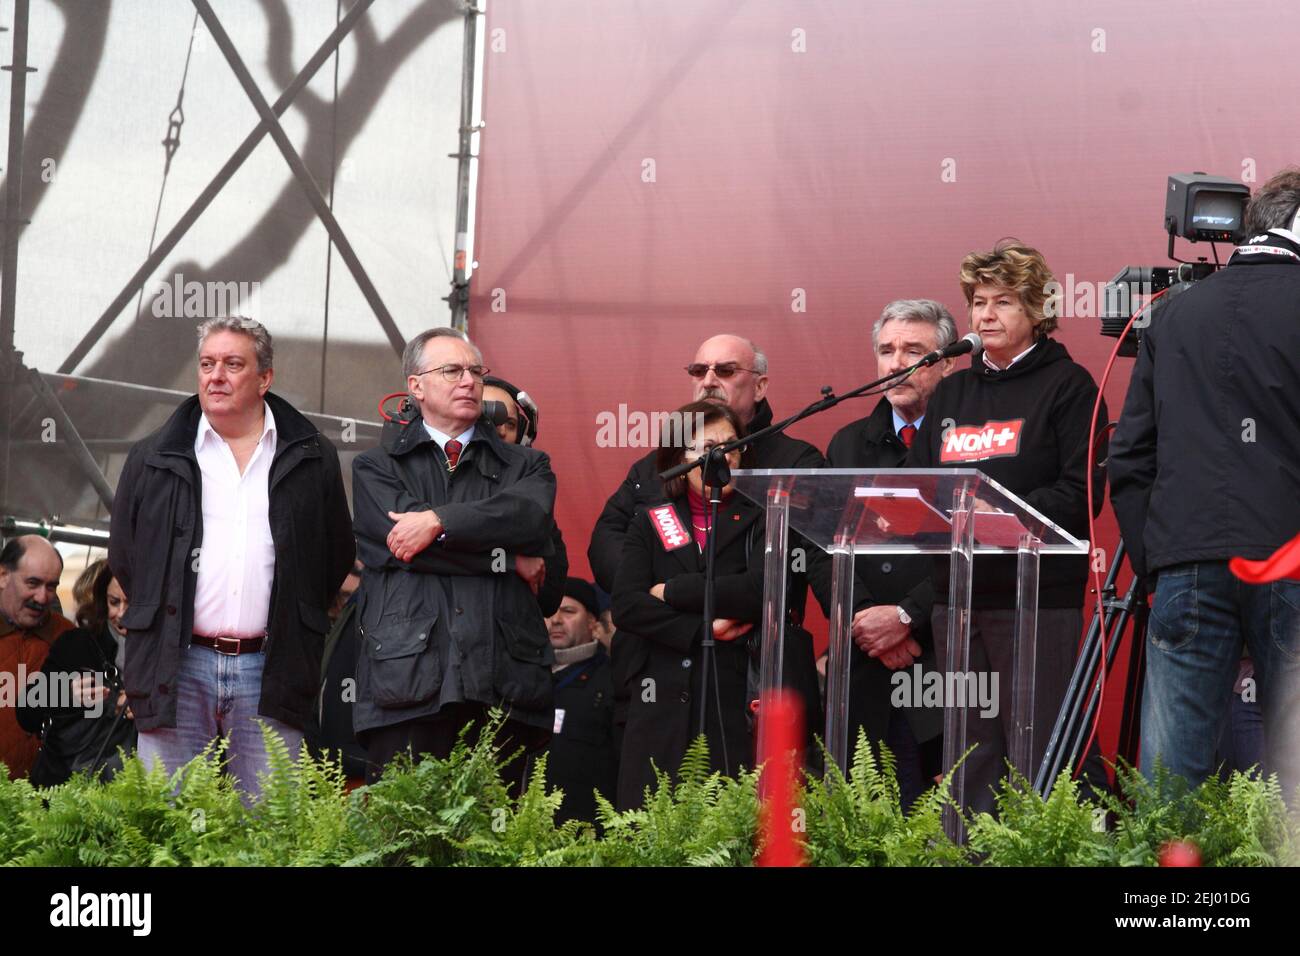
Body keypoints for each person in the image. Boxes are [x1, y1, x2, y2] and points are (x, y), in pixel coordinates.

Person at [1109, 167, 1300, 795]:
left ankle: (1169, 896)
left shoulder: (1172, 316)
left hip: (1186, 564)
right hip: (1289, 563)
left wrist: (1160, 561)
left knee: (1171, 787)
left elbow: (1131, 459)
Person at [109, 317, 355, 800]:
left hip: (272, 665)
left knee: (265, 826)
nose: (215, 375)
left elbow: (334, 556)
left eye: (232, 364)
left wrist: (290, 615)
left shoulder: (311, 457)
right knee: (170, 819)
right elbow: (126, 555)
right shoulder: (153, 455)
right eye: (207, 363)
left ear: (264, 378)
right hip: (177, 664)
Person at [907, 241, 1106, 814]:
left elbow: (1079, 495)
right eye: (978, 302)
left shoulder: (1068, 387)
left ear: (1038, 312)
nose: (986, 315)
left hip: (1037, 601)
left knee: (1037, 748)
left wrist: (989, 514)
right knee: (968, 754)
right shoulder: (950, 390)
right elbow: (924, 487)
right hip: (959, 599)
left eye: (1004, 302)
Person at [589, 334, 823, 759]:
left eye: (726, 370)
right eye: (700, 370)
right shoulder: (656, 464)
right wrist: (656, 596)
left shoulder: (792, 460)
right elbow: (609, 544)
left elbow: (784, 574)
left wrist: (672, 590)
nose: (710, 379)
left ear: (761, 385)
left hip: (747, 673)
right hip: (655, 671)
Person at [351, 328, 557, 790]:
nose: (468, 381)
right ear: (416, 386)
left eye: (474, 371)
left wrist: (436, 522)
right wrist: (502, 561)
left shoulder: (527, 465)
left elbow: (527, 522)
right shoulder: (375, 466)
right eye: (452, 371)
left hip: (504, 685)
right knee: (404, 849)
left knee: (494, 846)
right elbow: (399, 553)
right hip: (407, 684)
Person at [812, 299, 956, 808]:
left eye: (913, 350)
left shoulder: (970, 438)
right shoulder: (847, 445)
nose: (896, 363)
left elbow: (980, 542)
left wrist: (906, 617)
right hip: (866, 665)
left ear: (948, 361)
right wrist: (866, 624)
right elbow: (822, 549)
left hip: (944, 660)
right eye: (886, 350)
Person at [612, 400, 765, 809]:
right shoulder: (650, 519)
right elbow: (627, 605)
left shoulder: (763, 518)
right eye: (708, 447)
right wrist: (702, 629)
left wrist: (673, 591)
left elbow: (758, 591)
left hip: (731, 699)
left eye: (732, 446)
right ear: (680, 458)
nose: (723, 456)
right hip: (657, 704)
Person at [17, 562, 137, 786]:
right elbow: (26, 712)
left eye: (132, 604)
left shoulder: (169, 657)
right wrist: (65, 693)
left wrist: (151, 708)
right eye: (114, 602)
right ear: (102, 600)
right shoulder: (78, 644)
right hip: (62, 794)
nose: (121, 614)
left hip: (131, 797)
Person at [483, 375, 568, 618]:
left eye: (509, 424)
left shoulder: (533, 504)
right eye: (488, 418)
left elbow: (549, 595)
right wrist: (512, 561)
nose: (500, 430)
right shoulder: (423, 479)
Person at [544, 577, 618, 823]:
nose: (556, 620)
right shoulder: (524, 679)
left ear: (592, 623)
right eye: (549, 611)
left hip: (589, 832)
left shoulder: (613, 681)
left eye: (568, 611)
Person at [0, 536, 75, 779]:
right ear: (3, 576)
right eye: (32, 583)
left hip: (47, 803)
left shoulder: (69, 639)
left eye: (51, 586)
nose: (43, 598)